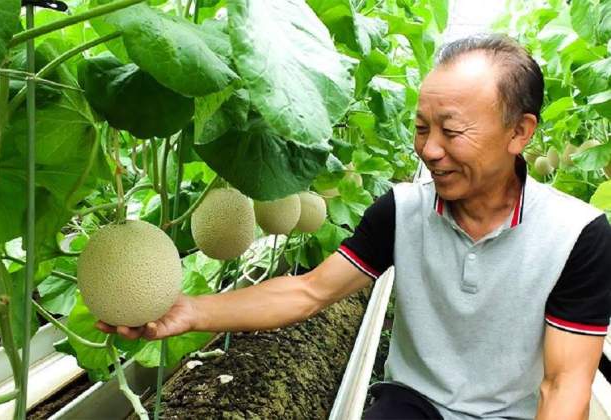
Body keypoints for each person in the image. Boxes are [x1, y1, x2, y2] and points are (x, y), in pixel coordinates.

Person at [97, 34, 611, 420]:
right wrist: (191, 312)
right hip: (413, 405)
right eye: (421, 128)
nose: (430, 149)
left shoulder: (578, 234)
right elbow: (307, 292)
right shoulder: (402, 210)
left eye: (451, 131)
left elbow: (565, 382)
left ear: (519, 132)